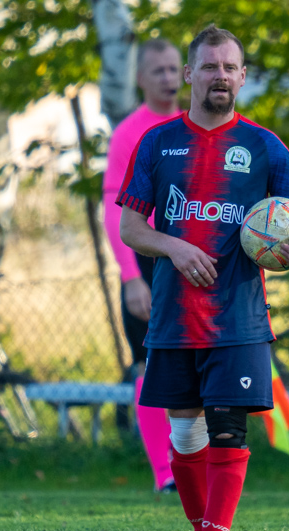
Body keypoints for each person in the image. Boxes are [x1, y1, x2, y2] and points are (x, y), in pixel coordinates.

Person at [117, 24, 289, 531]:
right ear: (190, 74)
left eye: (229, 67)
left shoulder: (263, 146)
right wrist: (177, 248)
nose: (220, 76)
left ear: (242, 76)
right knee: (185, 431)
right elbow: (130, 228)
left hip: (238, 315)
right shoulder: (157, 141)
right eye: (209, 66)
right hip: (174, 314)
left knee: (229, 426)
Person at [102, 38, 183, 494]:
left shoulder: (198, 127)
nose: (169, 79)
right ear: (140, 78)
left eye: (174, 70)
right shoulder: (129, 133)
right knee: (150, 367)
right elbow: (115, 208)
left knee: (202, 364)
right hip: (147, 265)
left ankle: (203, 464)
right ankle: (165, 475)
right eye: (159, 72)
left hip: (194, 259)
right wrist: (132, 277)